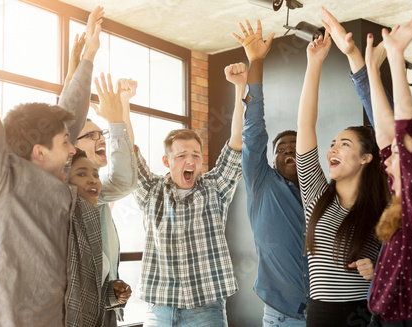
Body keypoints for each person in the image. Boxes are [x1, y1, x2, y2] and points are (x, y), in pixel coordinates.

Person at [0, 0, 102, 325]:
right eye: (65, 144)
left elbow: (71, 117)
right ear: (39, 151)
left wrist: (89, 58)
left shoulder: (56, 183)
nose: (72, 150)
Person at [131, 64, 245, 326]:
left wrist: (240, 87)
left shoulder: (215, 188)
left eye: (195, 155)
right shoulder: (152, 191)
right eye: (181, 155)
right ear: (167, 160)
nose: (189, 161)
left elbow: (237, 142)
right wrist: (124, 106)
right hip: (159, 307)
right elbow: (129, 155)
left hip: (206, 309)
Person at [295, 29, 388, 327]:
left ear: (366, 157)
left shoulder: (382, 205)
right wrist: (314, 63)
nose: (333, 148)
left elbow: (399, 260)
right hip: (320, 312)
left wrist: (375, 269)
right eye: (333, 143)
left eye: (344, 144)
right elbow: (306, 123)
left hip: (366, 311)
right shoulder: (316, 194)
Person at [232, 20, 309, 326]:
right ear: (272, 159)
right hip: (281, 313)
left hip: (322, 311)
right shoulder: (262, 183)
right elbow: (253, 132)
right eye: (282, 148)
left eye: (295, 145)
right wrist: (257, 63)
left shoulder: (321, 190)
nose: (289, 150)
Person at [364, 9, 412, 326]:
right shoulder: (409, 195)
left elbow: (405, 138)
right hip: (386, 317)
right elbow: (387, 135)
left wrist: (396, 57)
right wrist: (371, 68)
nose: (395, 154)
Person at [73, 43, 138, 327]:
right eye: (90, 135)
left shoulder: (97, 190)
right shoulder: (72, 193)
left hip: (104, 312)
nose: (102, 138)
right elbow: (126, 179)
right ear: (68, 146)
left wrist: (122, 109)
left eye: (103, 133)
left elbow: (127, 168)